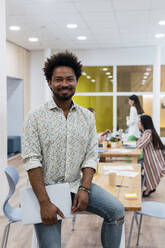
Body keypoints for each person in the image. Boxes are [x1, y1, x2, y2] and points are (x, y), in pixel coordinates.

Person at [22, 51, 124, 248]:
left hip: (76, 185)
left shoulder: (86, 117)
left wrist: (84, 188)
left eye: (70, 79)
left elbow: (91, 155)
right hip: (45, 190)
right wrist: (44, 203)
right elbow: (32, 161)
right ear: (50, 83)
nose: (64, 84)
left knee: (117, 211)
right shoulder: (34, 117)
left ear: (76, 81)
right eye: (58, 79)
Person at [137, 115, 165, 197]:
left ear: (143, 123)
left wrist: (138, 142)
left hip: (153, 160)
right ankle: (149, 187)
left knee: (137, 166)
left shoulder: (148, 133)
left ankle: (148, 188)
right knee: (138, 165)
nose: (138, 123)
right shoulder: (146, 132)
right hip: (152, 158)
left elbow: (140, 145)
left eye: (139, 121)